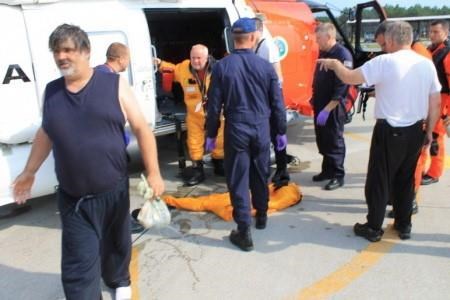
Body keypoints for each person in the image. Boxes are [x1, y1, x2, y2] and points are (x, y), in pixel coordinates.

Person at [11, 24, 165, 300]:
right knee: (78, 268)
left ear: (85, 51)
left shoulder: (114, 84)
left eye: (68, 50)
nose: (61, 56)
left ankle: (119, 280)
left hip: (113, 190)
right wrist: (29, 171)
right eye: (56, 51)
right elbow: (46, 133)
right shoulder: (52, 92)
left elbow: (141, 128)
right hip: (74, 200)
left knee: (116, 246)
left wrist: (154, 172)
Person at [317, 21, 441, 241]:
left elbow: (349, 77)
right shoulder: (425, 64)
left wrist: (335, 65)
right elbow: (435, 102)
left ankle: (373, 227)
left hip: (388, 131)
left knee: (379, 180)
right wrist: (429, 132)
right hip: (415, 130)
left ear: (391, 39)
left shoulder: (384, 61)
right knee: (405, 180)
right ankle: (404, 225)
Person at [206, 18, 286, 251]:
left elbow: (213, 106)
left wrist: (211, 134)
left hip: (237, 128)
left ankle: (243, 230)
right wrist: (280, 131)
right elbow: (277, 104)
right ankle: (261, 215)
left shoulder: (222, 67)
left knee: (239, 178)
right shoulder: (266, 67)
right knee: (260, 173)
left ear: (234, 38)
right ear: (253, 38)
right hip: (261, 128)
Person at [374, 20, 430, 217]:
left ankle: (409, 203)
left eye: (384, 45)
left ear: (392, 38)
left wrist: (431, 129)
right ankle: (400, 206)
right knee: (402, 171)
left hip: (416, 120)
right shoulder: (410, 57)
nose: (384, 50)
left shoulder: (419, 56)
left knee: (409, 171)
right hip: (415, 122)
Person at [154, 44, 225, 186]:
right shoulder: (184, 68)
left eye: (199, 58)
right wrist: (160, 63)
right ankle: (198, 170)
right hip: (194, 116)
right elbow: (172, 70)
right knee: (194, 143)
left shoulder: (219, 69)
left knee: (220, 140)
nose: (196, 61)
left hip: (216, 114)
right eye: (193, 58)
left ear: (207, 58)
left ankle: (219, 164)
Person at [311, 23, 352, 190]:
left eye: (319, 38)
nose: (317, 42)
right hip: (321, 104)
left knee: (334, 140)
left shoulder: (342, 55)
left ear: (328, 37)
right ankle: (327, 170)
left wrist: (328, 109)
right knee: (323, 139)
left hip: (333, 107)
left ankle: (337, 174)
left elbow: (342, 86)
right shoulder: (325, 52)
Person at [253, 16, 291, 189]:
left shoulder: (267, 46)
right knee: (268, 135)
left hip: (272, 96)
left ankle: (282, 171)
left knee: (277, 134)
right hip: (263, 97)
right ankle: (271, 169)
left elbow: (275, 76)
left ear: (259, 30)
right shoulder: (258, 46)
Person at [420, 20, 450, 185]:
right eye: (430, 32)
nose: (432, 35)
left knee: (436, 138)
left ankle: (434, 172)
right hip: (428, 99)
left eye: (436, 32)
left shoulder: (447, 54)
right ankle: (420, 167)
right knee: (425, 135)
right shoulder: (429, 50)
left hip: (443, 100)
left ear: (445, 33)